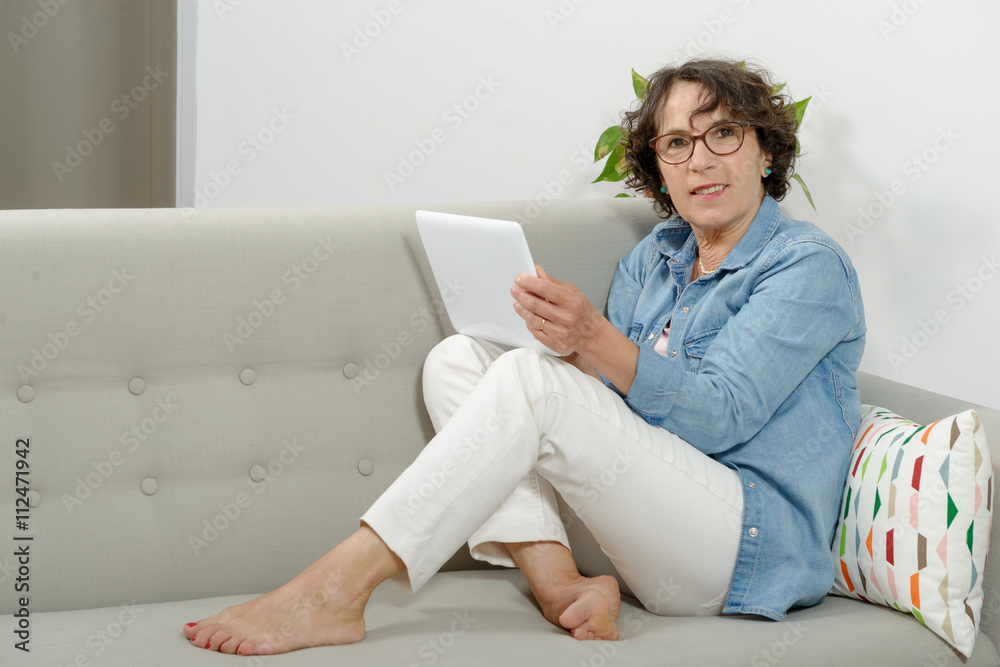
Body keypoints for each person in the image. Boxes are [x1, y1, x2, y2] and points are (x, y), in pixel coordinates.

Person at [182, 58, 866, 656]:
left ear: (765, 152)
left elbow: (720, 415)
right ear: (659, 168)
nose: (700, 160)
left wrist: (591, 340)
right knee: (457, 358)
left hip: (738, 546)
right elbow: (625, 419)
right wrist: (562, 351)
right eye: (677, 143)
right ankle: (564, 585)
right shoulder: (653, 261)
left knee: (532, 383)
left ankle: (335, 587)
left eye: (723, 133)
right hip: (643, 530)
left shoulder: (806, 266)